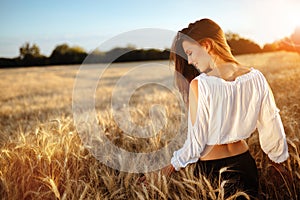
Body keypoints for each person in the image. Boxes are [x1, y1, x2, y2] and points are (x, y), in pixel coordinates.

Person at [160, 18, 289, 199]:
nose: (189, 61)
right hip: (245, 164)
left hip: (213, 171)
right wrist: (278, 161)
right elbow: (271, 123)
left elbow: (195, 143)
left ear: (207, 45)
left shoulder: (201, 85)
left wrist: (171, 166)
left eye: (190, 52)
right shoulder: (257, 77)